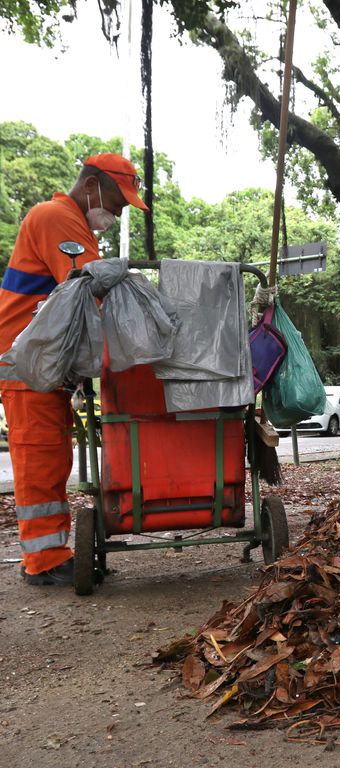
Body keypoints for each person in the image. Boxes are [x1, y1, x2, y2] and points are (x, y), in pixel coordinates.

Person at [0, 153, 148, 585]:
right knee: (41, 458)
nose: (116, 213)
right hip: (27, 364)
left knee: (52, 457)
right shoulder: (56, 218)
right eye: (116, 203)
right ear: (91, 186)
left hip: (45, 362)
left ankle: (51, 552)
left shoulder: (73, 222)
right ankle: (43, 561)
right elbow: (90, 289)